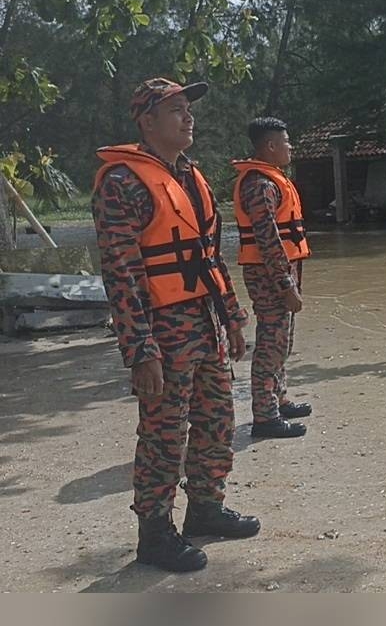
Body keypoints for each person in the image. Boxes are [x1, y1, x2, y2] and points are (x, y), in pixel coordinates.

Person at [92, 77, 260, 573]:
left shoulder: (191, 176)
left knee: (217, 420)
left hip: (205, 322)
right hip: (161, 329)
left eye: (189, 109)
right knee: (164, 434)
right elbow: (121, 274)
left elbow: (209, 258)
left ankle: (205, 508)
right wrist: (140, 351)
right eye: (176, 110)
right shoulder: (122, 183)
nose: (189, 118)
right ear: (147, 122)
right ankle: (155, 534)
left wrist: (232, 317)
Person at [232, 117, 311, 439]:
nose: (290, 147)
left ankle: (279, 399)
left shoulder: (272, 179)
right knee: (271, 343)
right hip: (269, 274)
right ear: (270, 145)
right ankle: (265, 416)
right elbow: (267, 239)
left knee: (283, 340)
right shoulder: (259, 185)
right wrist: (285, 284)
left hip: (281, 270)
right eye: (286, 142)